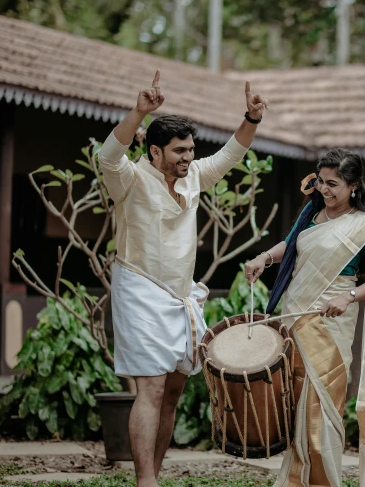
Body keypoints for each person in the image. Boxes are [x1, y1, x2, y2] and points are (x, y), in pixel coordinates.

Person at [99, 70, 268, 487]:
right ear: (154, 151)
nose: (188, 157)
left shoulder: (194, 176)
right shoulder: (130, 178)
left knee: (173, 391)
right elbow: (108, 156)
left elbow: (231, 153)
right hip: (139, 290)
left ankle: (154, 473)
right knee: (151, 389)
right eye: (179, 151)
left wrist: (252, 118)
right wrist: (139, 112)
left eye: (191, 150)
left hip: (181, 297)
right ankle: (145, 481)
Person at [245, 148, 365, 487]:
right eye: (320, 182)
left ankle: (324, 481)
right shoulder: (313, 212)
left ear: (354, 187)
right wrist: (263, 259)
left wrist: (348, 297)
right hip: (296, 315)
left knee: (321, 405)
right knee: (296, 401)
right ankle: (296, 479)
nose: (325, 190)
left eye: (333, 184)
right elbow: (290, 246)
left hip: (331, 320)